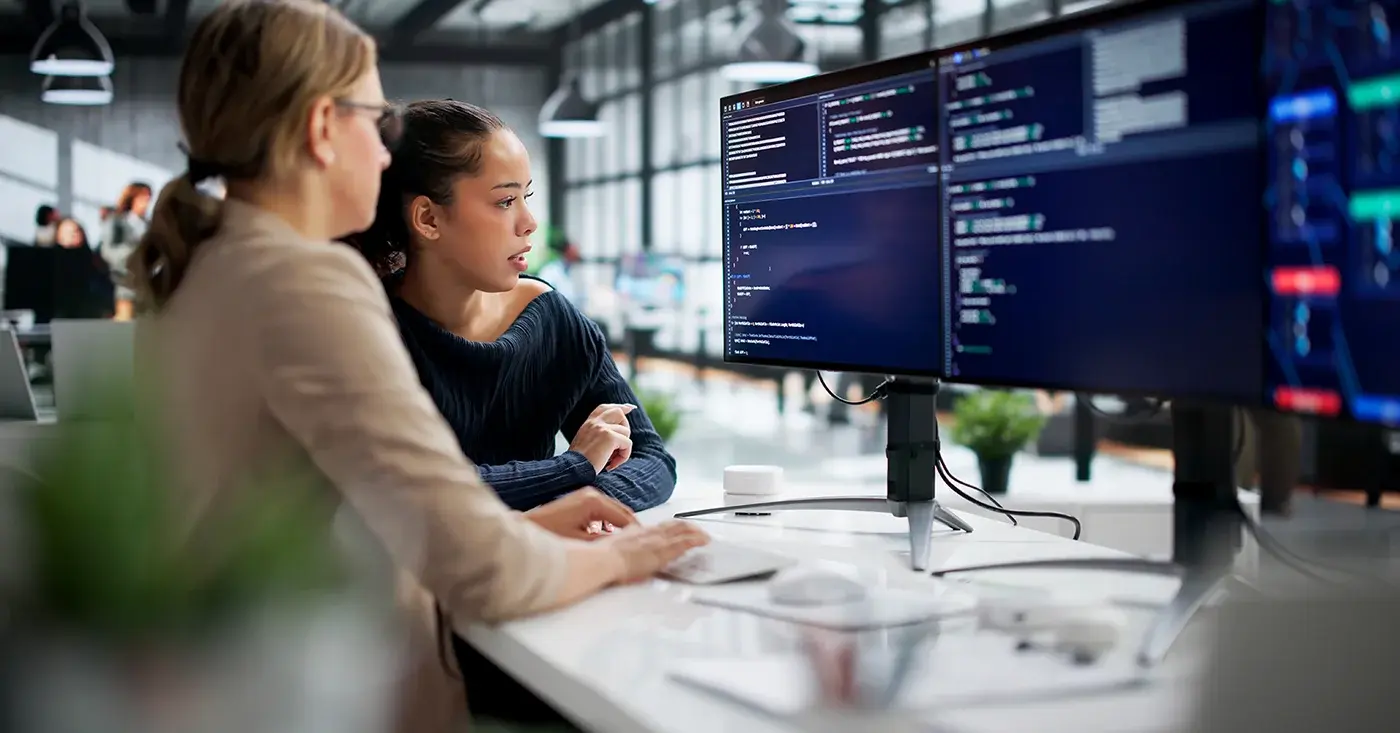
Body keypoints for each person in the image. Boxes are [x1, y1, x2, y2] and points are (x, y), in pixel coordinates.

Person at [124, 3, 706, 733]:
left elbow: (365, 512)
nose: (384, 149)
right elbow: (479, 565)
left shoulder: (214, 264)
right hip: (297, 696)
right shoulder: (305, 284)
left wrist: (537, 516)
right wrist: (634, 552)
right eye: (375, 122)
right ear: (321, 129)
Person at [343, 99, 677, 513]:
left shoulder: (553, 319)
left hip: (535, 568)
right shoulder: (366, 331)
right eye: (505, 202)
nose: (529, 222)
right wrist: (574, 468)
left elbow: (652, 460)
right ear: (428, 219)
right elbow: (412, 490)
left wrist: (575, 507)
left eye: (527, 197)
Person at [101, 181, 152, 321]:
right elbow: (107, 250)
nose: (146, 204)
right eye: (142, 199)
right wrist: (131, 255)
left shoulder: (149, 224)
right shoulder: (117, 222)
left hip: (148, 285)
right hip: (125, 283)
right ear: (132, 198)